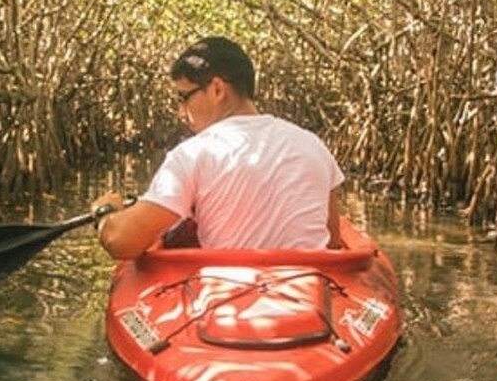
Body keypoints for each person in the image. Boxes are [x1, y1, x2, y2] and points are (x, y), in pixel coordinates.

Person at [91, 36, 344, 260]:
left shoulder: (194, 154)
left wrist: (105, 212)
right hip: (309, 294)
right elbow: (332, 241)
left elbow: (121, 242)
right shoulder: (312, 145)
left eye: (183, 97)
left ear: (217, 89)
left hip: (230, 299)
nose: (181, 112)